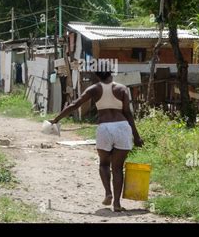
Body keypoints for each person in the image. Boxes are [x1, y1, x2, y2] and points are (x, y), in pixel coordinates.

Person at [49, 71, 143, 212]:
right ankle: (117, 204)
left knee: (104, 164)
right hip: (122, 127)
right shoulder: (122, 89)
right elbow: (128, 113)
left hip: (104, 128)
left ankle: (108, 193)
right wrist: (136, 136)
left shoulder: (94, 89)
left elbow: (75, 105)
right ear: (111, 73)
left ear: (98, 76)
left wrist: (56, 120)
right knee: (118, 168)